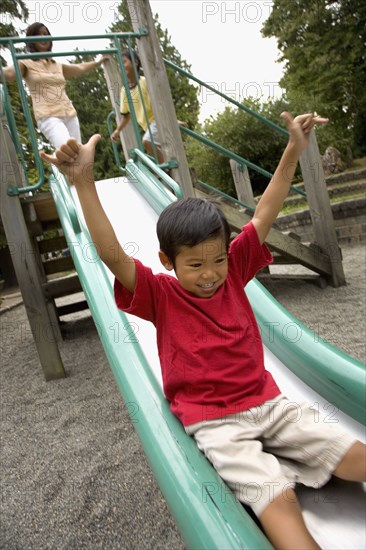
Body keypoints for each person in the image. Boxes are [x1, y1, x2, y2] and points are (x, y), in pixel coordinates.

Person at [40, 112, 366, 550]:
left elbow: (267, 206)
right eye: (195, 265)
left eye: (218, 259)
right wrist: (83, 183)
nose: (210, 274)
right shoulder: (160, 296)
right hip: (215, 422)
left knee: (349, 453)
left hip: (268, 402)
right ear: (167, 260)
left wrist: (293, 149)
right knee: (276, 496)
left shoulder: (234, 270)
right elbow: (111, 254)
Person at [2, 22, 106, 148]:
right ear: (31, 41)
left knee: (78, 155)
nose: (42, 37)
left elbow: (79, 67)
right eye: (37, 35)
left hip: (69, 114)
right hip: (48, 116)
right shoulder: (25, 63)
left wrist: (97, 62)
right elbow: (8, 73)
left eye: (45, 34)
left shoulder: (56, 65)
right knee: (69, 149)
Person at [110, 50, 186, 164]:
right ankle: (166, 165)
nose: (122, 65)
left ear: (135, 62)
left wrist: (173, 121)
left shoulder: (145, 82)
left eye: (124, 62)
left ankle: (166, 167)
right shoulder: (124, 91)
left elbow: (160, 103)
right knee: (151, 143)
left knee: (146, 142)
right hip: (148, 127)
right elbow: (127, 116)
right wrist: (117, 131)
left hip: (158, 121)